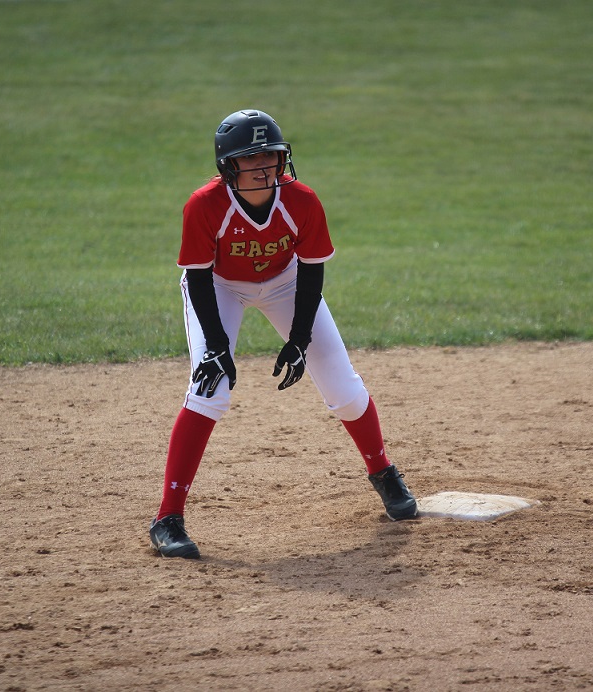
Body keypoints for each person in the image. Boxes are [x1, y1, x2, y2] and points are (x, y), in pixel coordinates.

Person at [149, 109, 418, 559]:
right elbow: (198, 279)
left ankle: (383, 471)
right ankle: (167, 519)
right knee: (208, 392)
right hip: (218, 285)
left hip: (287, 282)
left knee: (345, 390)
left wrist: (297, 340)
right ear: (228, 167)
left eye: (270, 155)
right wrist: (216, 346)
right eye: (250, 158)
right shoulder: (204, 206)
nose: (263, 165)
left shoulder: (302, 202)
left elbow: (311, 275)